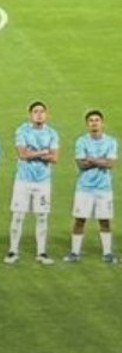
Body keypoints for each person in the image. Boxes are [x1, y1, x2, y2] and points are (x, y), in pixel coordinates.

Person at [5, 101, 58, 266]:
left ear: (46, 114)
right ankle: (13, 250)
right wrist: (43, 152)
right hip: (23, 181)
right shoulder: (22, 130)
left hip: (43, 182)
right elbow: (22, 154)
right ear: (30, 114)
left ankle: (41, 252)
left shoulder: (52, 133)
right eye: (36, 111)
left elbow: (55, 158)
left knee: (42, 216)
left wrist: (32, 153)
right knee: (18, 215)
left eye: (42, 111)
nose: (39, 114)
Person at [66, 110, 117, 264]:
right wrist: (101, 161)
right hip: (85, 188)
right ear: (87, 124)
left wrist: (91, 159)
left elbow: (111, 164)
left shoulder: (111, 141)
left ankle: (107, 253)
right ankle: (75, 252)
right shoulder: (81, 141)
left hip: (104, 188)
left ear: (102, 123)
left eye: (97, 120)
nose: (94, 123)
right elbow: (81, 164)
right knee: (80, 219)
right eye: (91, 120)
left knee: (105, 220)